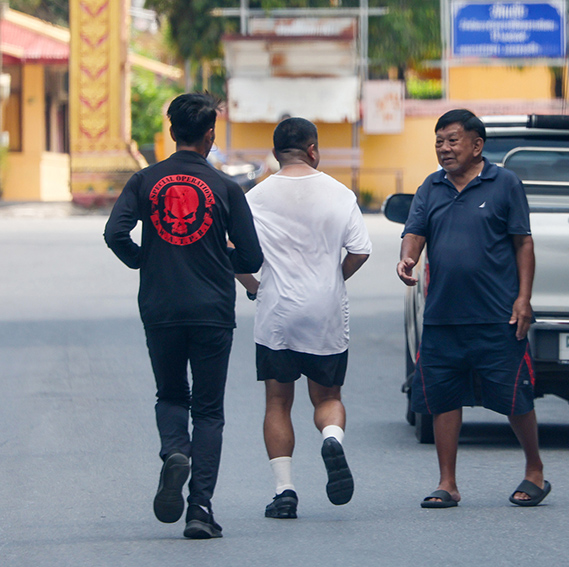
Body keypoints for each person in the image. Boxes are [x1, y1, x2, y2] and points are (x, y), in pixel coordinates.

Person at [104, 92, 263, 539]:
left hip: (161, 306)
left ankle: (175, 450)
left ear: (172, 132)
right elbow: (251, 256)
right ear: (210, 135)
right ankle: (200, 509)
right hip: (212, 309)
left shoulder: (144, 180)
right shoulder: (226, 188)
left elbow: (114, 232)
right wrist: (222, 258)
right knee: (209, 411)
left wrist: (144, 260)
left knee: (172, 395)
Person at [397, 109, 548, 509]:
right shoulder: (430, 186)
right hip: (443, 315)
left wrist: (524, 298)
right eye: (439, 142)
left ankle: (535, 470)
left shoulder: (505, 183)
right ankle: (447, 483)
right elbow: (414, 231)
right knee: (444, 398)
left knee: (514, 397)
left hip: (497, 314)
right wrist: (407, 258)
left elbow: (523, 243)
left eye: (452, 140)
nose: (444, 149)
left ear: (477, 145)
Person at [235, 117, 371, 519]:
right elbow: (361, 250)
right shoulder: (339, 193)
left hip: (277, 311)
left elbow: (232, 253)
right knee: (328, 397)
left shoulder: (255, 197)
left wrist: (255, 287)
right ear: (312, 150)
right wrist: (334, 279)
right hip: (325, 311)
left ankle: (285, 492)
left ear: (275, 153)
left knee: (278, 402)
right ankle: (332, 438)